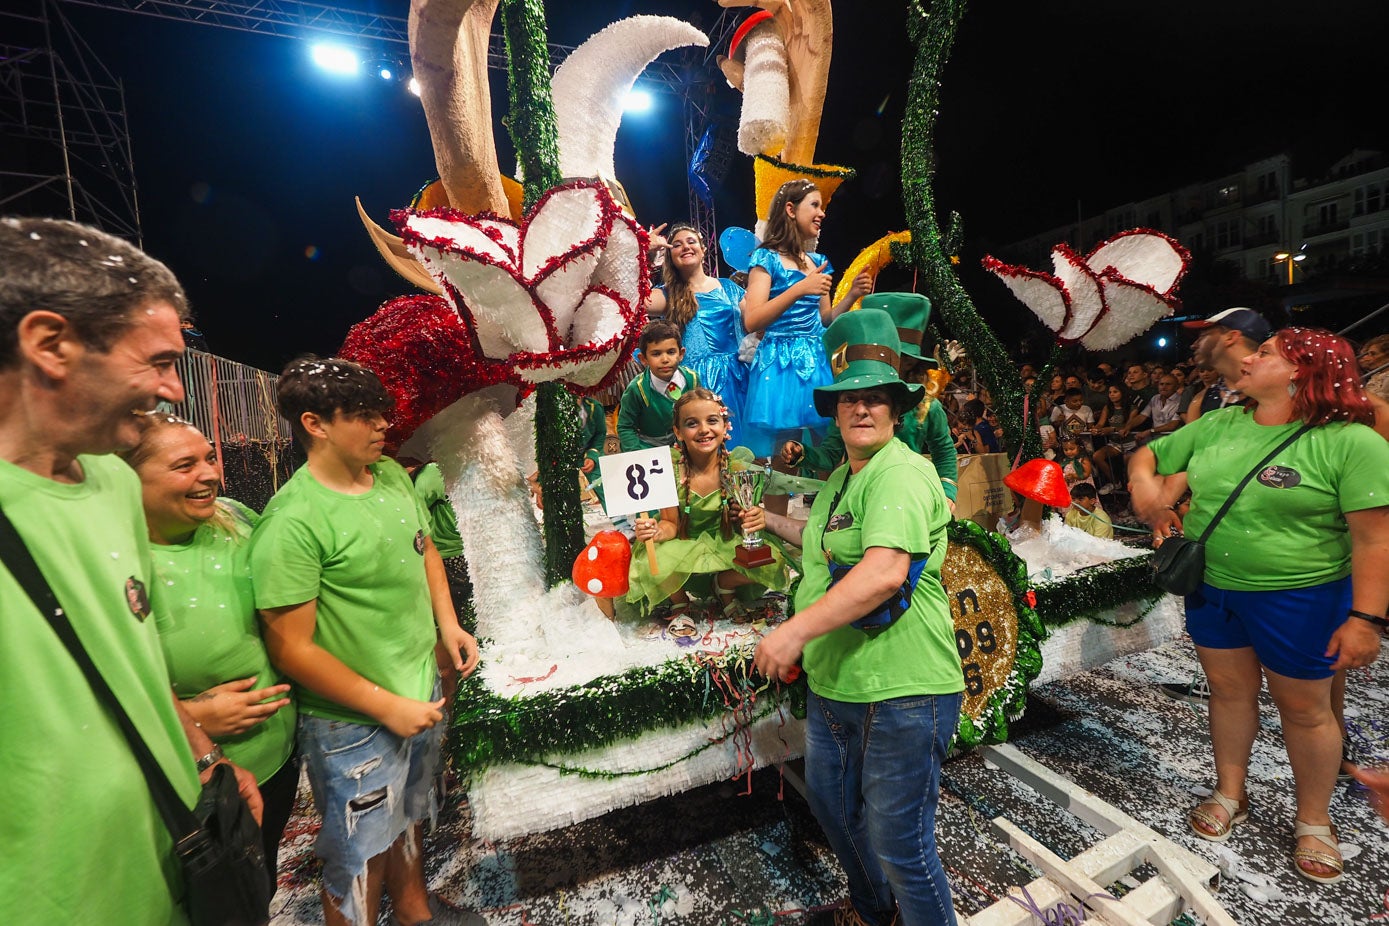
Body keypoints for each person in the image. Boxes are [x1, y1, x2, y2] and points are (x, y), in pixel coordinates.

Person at [0, 216, 260, 923]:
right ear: (50, 345)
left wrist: (204, 752)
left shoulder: (114, 485)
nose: (174, 390)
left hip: (177, 872)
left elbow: (128, 660)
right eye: (157, 361)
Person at [1130, 327, 1389, 886]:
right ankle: (1230, 791)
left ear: (1301, 371)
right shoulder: (1222, 422)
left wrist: (1365, 619)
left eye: (1265, 352)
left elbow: (1375, 540)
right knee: (1228, 692)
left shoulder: (1351, 442)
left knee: (1305, 710)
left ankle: (1314, 821)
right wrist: (1145, 487)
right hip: (1214, 589)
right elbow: (1150, 453)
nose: (1248, 358)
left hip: (1302, 597)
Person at [252, 357, 483, 926]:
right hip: (351, 721)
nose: (383, 425)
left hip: (416, 690)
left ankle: (414, 913)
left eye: (382, 412)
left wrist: (447, 625)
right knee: (357, 855)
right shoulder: (294, 521)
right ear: (315, 423)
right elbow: (291, 649)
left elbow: (423, 547)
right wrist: (386, 706)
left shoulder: (390, 478)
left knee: (409, 815)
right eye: (362, 415)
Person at [755, 309, 962, 926]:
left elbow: (883, 572)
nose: (861, 409)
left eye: (875, 400)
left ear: (895, 411)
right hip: (836, 683)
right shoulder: (847, 476)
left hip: (901, 690)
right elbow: (826, 545)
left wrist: (791, 631)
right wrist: (766, 520)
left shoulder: (899, 470)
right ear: (835, 411)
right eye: (850, 400)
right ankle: (877, 912)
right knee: (837, 813)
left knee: (901, 842)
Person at [122, 413, 299, 889]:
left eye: (209, 458)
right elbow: (90, 689)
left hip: (277, 761)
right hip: (192, 785)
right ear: (126, 477)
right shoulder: (116, 564)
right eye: (184, 465)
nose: (209, 474)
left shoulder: (235, 515)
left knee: (256, 890)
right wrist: (192, 722)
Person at [778, 293, 959, 509]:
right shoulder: (852, 407)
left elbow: (944, 449)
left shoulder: (928, 406)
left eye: (891, 357)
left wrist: (948, 492)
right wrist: (803, 453)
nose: (862, 408)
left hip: (907, 496)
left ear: (910, 363)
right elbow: (830, 453)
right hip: (860, 497)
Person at [624, 387, 788, 621]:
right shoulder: (668, 470)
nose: (704, 430)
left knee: (771, 559)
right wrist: (657, 531)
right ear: (678, 432)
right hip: (682, 542)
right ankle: (679, 603)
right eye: (692, 424)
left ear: (725, 426)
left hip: (723, 541)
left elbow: (740, 518)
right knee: (653, 560)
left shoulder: (735, 468)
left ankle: (725, 585)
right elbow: (670, 523)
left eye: (712, 420)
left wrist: (747, 518)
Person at [740, 178, 872, 457]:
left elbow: (826, 319)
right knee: (783, 457)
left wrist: (850, 296)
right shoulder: (766, 258)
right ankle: (773, 503)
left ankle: (830, 501)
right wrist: (800, 288)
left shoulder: (817, 260)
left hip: (817, 359)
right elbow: (752, 320)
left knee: (830, 452)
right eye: (814, 205)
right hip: (779, 363)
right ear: (790, 209)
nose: (822, 213)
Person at [644, 223, 750, 446]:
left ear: (703, 250)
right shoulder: (667, 294)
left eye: (691, 242)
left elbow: (759, 317)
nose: (685, 247)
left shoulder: (730, 288)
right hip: (697, 385)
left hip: (740, 379)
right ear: (670, 256)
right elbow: (632, 300)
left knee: (748, 453)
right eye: (677, 244)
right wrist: (645, 253)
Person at [617, 320, 701, 452]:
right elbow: (625, 427)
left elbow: (699, 413)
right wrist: (636, 453)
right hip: (649, 448)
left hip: (685, 443)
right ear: (643, 359)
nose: (665, 359)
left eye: (671, 352)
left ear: (681, 354)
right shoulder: (637, 389)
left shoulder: (692, 379)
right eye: (656, 354)